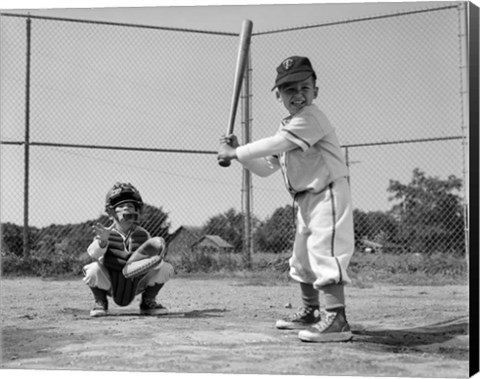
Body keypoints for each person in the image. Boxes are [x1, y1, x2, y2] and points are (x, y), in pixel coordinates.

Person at [217, 56, 354, 342]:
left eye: (305, 87)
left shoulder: (312, 118)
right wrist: (240, 151)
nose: (299, 95)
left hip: (327, 192)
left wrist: (236, 153)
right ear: (278, 95)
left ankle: (337, 319)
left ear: (316, 90)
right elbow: (266, 167)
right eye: (290, 90)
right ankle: (311, 312)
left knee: (324, 253)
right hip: (305, 200)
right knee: (302, 259)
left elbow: (277, 144)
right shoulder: (288, 127)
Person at [83, 182, 174, 317]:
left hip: (136, 284)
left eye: (131, 206)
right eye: (121, 206)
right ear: (111, 212)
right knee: (92, 269)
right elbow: (93, 253)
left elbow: (151, 258)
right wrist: (103, 241)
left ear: (137, 211)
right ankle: (100, 301)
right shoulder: (106, 233)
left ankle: (148, 301)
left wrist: (156, 258)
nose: (127, 208)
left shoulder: (142, 234)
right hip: (110, 283)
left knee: (166, 267)